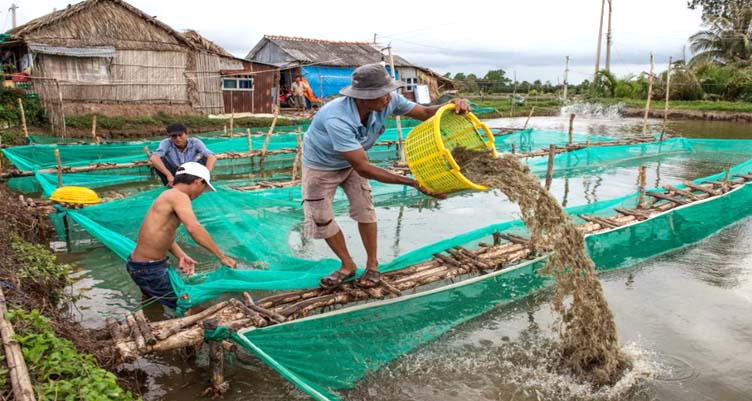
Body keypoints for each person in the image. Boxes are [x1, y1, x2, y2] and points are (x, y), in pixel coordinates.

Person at [302, 62, 471, 290]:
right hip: (321, 165)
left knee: (365, 208)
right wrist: (413, 182)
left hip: (355, 159)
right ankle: (347, 265)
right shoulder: (336, 118)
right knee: (321, 218)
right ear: (363, 97)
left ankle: (372, 265)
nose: (389, 98)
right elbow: (364, 168)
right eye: (382, 94)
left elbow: (424, 113)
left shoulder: (389, 100)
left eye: (389, 91)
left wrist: (450, 106)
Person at [126, 162, 237, 309]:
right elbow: (194, 229)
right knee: (190, 307)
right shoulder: (179, 196)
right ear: (198, 181)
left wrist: (181, 255)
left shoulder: (168, 195)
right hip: (150, 269)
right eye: (204, 188)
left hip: (141, 265)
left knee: (152, 303)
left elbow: (163, 232)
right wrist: (222, 257)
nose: (201, 193)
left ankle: (153, 323)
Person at [150, 123, 217, 186]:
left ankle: (203, 181)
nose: (178, 138)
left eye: (180, 135)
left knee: (206, 158)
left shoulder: (195, 142)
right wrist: (169, 175)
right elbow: (154, 158)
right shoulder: (166, 143)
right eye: (174, 136)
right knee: (159, 160)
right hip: (174, 171)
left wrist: (206, 174)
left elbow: (211, 157)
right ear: (170, 136)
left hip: (190, 170)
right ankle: (170, 184)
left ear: (186, 134)